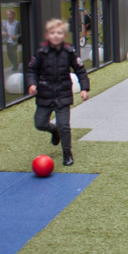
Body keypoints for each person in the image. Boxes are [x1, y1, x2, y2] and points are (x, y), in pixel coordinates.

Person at [27, 19, 90, 166]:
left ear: (63, 36)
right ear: (47, 35)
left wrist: (84, 88)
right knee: (40, 123)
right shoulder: (40, 52)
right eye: (52, 33)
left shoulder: (69, 52)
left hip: (63, 94)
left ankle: (67, 153)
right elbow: (32, 70)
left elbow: (80, 70)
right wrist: (32, 84)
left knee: (64, 126)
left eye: (59, 33)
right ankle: (54, 131)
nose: (56, 36)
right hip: (45, 94)